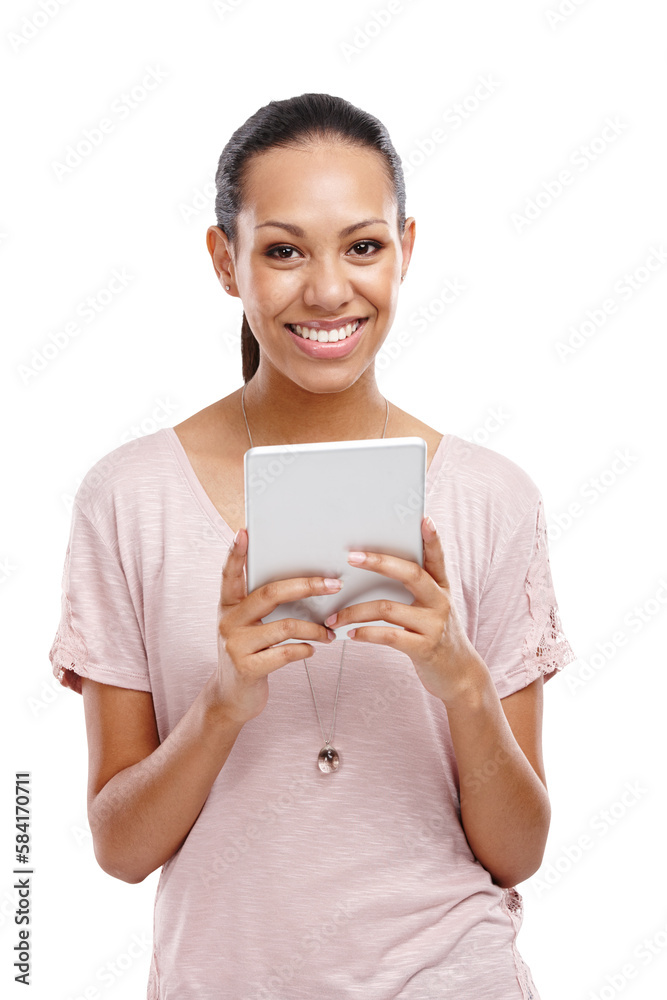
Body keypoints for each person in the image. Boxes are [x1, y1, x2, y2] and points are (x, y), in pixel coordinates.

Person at [49, 92, 577, 999]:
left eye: (363, 246)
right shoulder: (128, 498)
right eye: (284, 249)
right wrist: (221, 703)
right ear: (225, 261)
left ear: (405, 250)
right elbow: (121, 850)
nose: (329, 289)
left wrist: (460, 679)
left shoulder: (494, 498)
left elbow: (518, 852)